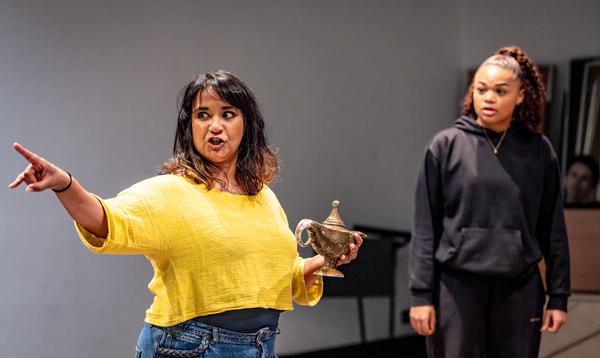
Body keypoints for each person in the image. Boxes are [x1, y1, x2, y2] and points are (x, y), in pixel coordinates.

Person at [9, 70, 363, 358]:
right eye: (202, 115)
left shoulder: (263, 197)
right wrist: (65, 185)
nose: (215, 126)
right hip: (191, 347)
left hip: (259, 345)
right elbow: (106, 220)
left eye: (228, 114)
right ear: (189, 126)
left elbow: (266, 278)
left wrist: (318, 263)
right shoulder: (171, 191)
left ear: (246, 125)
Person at [409, 46, 570, 358]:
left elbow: (553, 228)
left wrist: (559, 295)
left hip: (519, 289)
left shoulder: (539, 151)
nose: (489, 98)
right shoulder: (446, 146)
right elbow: (425, 226)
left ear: (520, 95)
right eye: (481, 89)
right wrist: (421, 295)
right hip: (456, 288)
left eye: (500, 90)